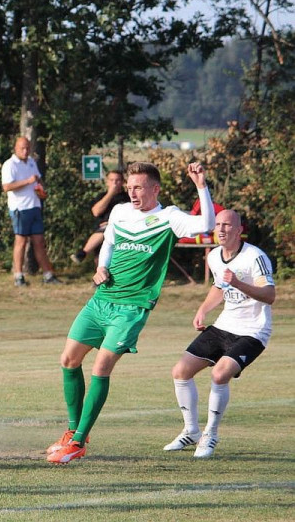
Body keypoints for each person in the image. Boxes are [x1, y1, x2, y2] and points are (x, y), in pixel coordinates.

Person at [46, 161, 215, 464]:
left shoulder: (169, 217)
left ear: (155, 189)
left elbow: (205, 225)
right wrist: (101, 267)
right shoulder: (120, 211)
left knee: (101, 368)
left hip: (132, 308)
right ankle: (72, 431)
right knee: (68, 360)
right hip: (102, 299)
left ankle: (80, 442)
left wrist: (201, 186)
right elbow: (109, 242)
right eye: (129, 188)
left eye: (138, 187)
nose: (132, 193)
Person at [163, 209, 274, 459]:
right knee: (180, 371)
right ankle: (191, 431)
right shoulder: (214, 256)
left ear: (238, 230)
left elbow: (269, 296)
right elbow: (219, 287)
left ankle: (209, 435)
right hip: (224, 325)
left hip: (253, 331)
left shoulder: (255, 257)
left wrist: (238, 283)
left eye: (227, 225)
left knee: (220, 373)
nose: (221, 229)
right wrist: (202, 310)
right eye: (218, 225)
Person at [1, 136, 61, 286]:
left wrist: (41, 189)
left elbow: (38, 180)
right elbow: (7, 187)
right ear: (15, 148)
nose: (26, 151)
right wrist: (27, 182)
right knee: (21, 241)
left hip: (35, 206)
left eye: (28, 148)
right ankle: (18, 276)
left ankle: (48, 275)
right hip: (20, 208)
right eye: (22, 148)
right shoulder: (9, 165)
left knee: (39, 241)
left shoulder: (31, 162)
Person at [71, 169, 130, 263]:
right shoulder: (101, 196)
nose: (114, 183)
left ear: (123, 182)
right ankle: (85, 256)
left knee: (109, 227)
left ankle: (83, 253)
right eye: (111, 180)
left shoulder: (128, 197)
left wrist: (112, 222)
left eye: (117, 180)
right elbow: (96, 212)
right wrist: (110, 194)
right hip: (101, 230)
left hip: (121, 227)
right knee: (100, 260)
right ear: (107, 182)